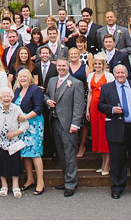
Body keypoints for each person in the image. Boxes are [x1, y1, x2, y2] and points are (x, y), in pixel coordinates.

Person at [97, 64, 131, 200]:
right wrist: (111, 109)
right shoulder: (106, 87)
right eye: (118, 73)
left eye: (123, 72)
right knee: (117, 160)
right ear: (114, 74)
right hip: (117, 128)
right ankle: (117, 187)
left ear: (127, 74)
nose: (120, 75)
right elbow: (100, 105)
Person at [44, 57, 84, 197]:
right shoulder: (52, 80)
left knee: (69, 153)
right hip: (54, 121)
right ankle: (67, 178)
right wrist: (48, 100)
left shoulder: (76, 83)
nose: (61, 68)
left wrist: (75, 124)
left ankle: (71, 183)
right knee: (61, 153)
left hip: (68, 123)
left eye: (63, 66)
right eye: (59, 66)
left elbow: (79, 106)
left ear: (68, 67)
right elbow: (46, 95)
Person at [13, 69, 46, 195]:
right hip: (22, 126)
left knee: (35, 153)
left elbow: (38, 108)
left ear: (29, 77)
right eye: (20, 77)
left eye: (25, 76)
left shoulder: (35, 89)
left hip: (34, 124)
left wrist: (25, 117)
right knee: (25, 152)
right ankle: (30, 179)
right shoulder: (17, 90)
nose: (22, 79)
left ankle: (40, 182)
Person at [86, 54, 114, 170]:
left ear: (103, 65)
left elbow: (112, 93)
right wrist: (87, 109)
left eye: (99, 64)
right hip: (94, 107)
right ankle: (103, 163)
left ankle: (107, 164)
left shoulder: (108, 76)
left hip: (104, 107)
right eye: (96, 64)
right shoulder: (90, 76)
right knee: (97, 135)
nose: (97, 66)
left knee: (105, 135)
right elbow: (90, 93)